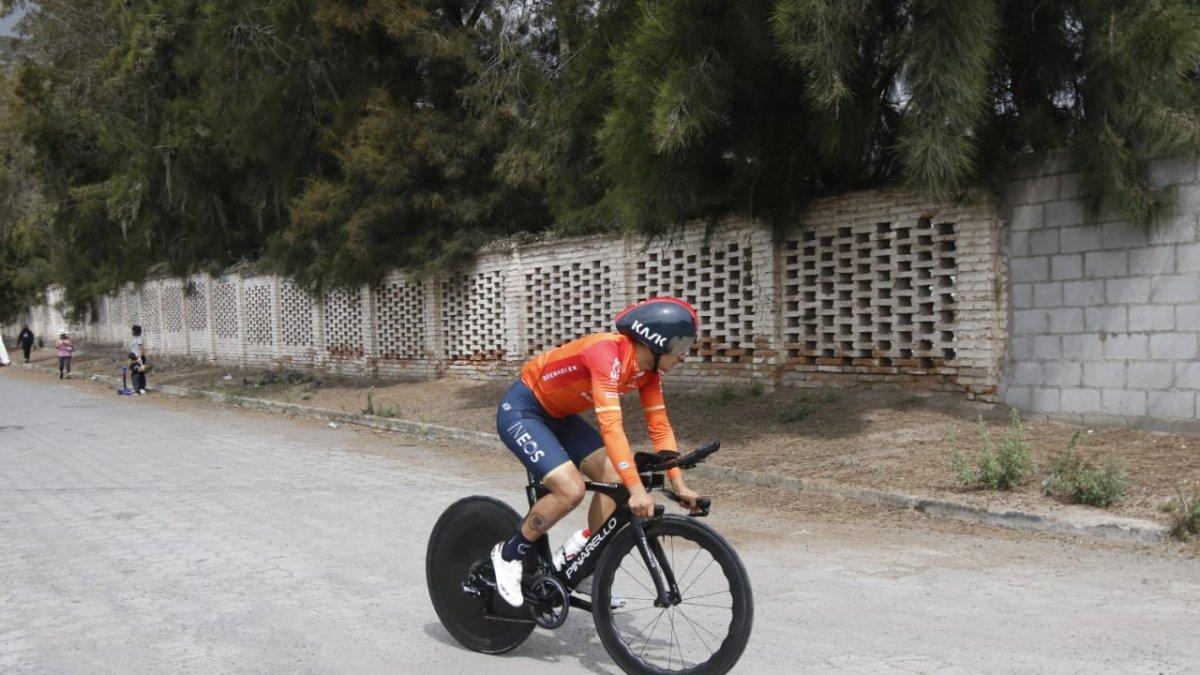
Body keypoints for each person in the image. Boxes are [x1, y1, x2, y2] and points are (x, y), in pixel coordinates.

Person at [490, 297, 703, 607]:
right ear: (655, 341)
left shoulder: (649, 373)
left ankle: (583, 559)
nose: (684, 354)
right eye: (680, 344)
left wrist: (679, 484)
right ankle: (509, 555)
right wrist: (636, 490)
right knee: (570, 490)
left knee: (616, 478)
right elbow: (612, 428)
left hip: (561, 417)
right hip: (524, 411)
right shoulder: (606, 353)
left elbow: (659, 427)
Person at [129, 324, 148, 394]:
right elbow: (133, 349)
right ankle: (136, 387)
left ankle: (142, 388)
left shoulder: (139, 338)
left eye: (132, 330)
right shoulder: (133, 338)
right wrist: (131, 359)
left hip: (139, 358)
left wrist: (139, 359)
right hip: (134, 358)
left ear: (135, 331)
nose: (131, 331)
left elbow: (141, 349)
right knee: (134, 373)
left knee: (140, 373)